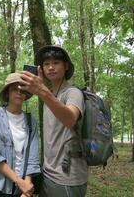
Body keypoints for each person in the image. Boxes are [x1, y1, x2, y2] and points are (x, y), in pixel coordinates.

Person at [19, 45, 87, 197]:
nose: (50, 67)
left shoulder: (73, 93)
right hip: (48, 174)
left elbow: (70, 119)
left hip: (67, 178)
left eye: (56, 63)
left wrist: (42, 90)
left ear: (66, 66)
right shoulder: (50, 96)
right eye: (46, 64)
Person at [0, 72, 40, 197]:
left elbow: (33, 157)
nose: (19, 92)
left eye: (22, 90)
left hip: (23, 188)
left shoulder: (32, 121)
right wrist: (19, 181)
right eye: (14, 89)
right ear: (7, 93)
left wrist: (26, 186)